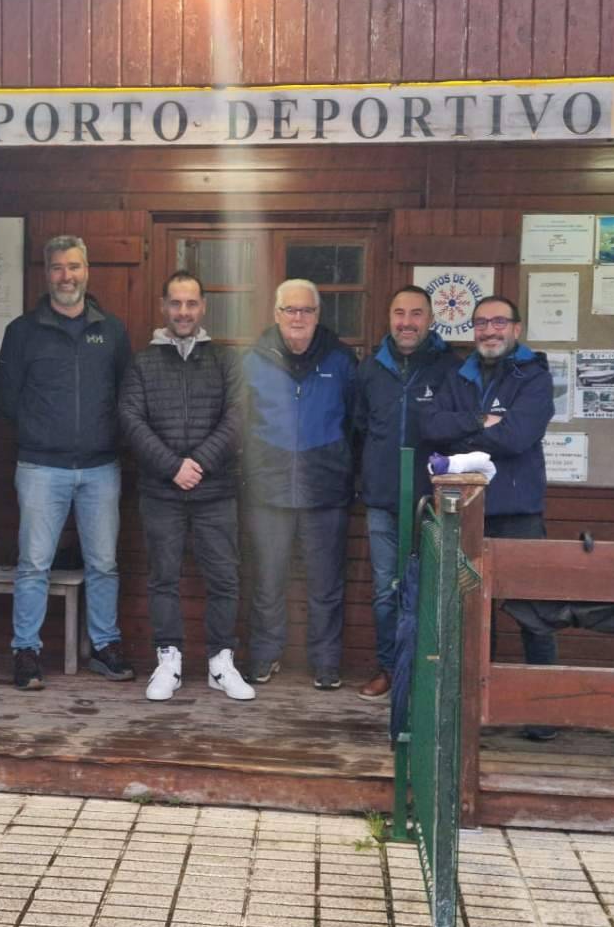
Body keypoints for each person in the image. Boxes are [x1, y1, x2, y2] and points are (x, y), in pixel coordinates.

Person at [0, 235, 134, 690]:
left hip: (100, 467)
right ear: (46, 273)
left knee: (104, 563)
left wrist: (103, 436)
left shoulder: (111, 331)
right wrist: (43, 433)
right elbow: (8, 398)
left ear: (87, 270)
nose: (66, 276)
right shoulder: (23, 331)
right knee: (34, 564)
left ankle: (105, 646)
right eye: (57, 267)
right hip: (41, 467)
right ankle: (26, 651)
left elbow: (125, 395)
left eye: (74, 266)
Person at [421, 294, 559, 740]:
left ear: (516, 329)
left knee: (533, 614)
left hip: (518, 512)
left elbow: (519, 436)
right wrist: (484, 420)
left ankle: (541, 711)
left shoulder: (534, 376)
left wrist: (466, 434)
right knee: (470, 615)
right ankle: (474, 711)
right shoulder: (459, 374)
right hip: (466, 509)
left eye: (499, 322)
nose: (489, 330)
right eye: (481, 323)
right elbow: (432, 427)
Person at [117, 271, 254, 702]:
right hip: (161, 491)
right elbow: (131, 420)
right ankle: (169, 661)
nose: (183, 311)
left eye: (191, 303)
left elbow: (238, 416)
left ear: (203, 307)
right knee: (163, 578)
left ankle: (220, 663)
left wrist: (199, 464)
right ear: (163, 306)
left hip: (216, 492)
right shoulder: (142, 363)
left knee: (224, 578)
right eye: (175, 303)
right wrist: (173, 467)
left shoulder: (225, 361)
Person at [240, 279, 357, 691]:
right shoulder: (254, 360)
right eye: (290, 309)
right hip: (267, 489)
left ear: (317, 315)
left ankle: (325, 662)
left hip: (325, 488)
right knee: (267, 580)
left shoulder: (341, 360)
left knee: (326, 584)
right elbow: (241, 422)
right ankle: (264, 655)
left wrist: (343, 468)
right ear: (276, 314)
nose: (298, 317)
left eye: (306, 310)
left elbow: (355, 421)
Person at [353, 285, 457, 700]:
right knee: (386, 591)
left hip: (433, 500)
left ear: (430, 319)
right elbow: (359, 428)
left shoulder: (449, 368)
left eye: (416, 314)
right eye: (400, 313)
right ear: (389, 318)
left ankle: (427, 676)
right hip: (382, 500)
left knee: (430, 589)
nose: (407, 322)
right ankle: (389, 669)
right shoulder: (370, 369)